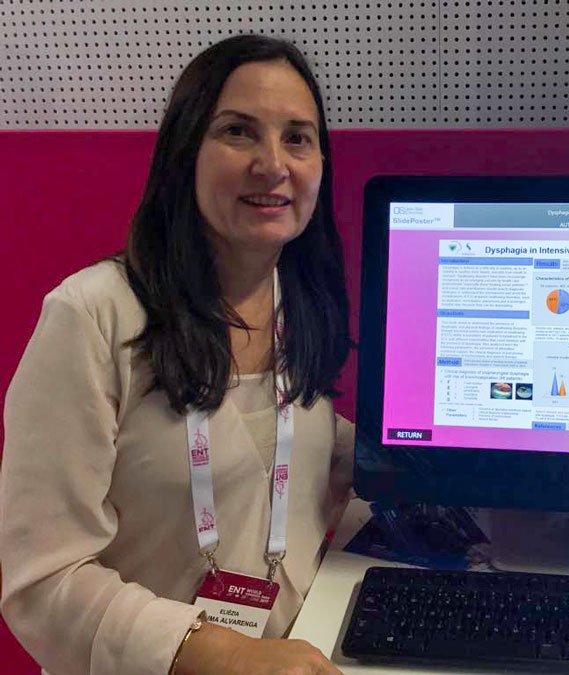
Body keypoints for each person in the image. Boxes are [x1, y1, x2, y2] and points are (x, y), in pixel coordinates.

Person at [0, 34, 354, 675]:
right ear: (185, 151)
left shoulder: (303, 303)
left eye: (297, 138)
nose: (273, 164)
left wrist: (422, 458)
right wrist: (226, 653)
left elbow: (270, 445)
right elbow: (43, 581)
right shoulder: (92, 315)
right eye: (239, 131)